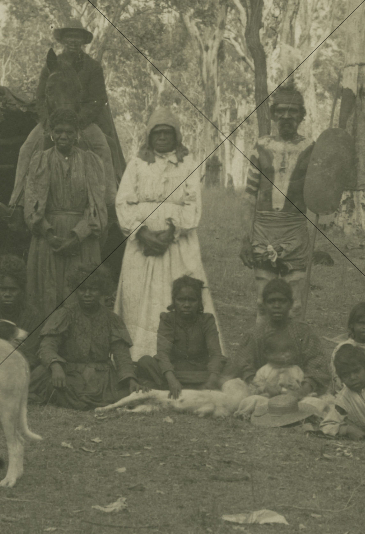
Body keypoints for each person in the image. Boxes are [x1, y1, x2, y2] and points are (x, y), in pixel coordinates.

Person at [115, 109, 214, 358]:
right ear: (148, 137)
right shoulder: (136, 164)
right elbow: (123, 201)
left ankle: (181, 355)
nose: (161, 138)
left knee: (177, 291)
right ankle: (139, 355)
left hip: (179, 244)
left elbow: (193, 203)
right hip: (142, 246)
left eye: (166, 133)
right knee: (137, 295)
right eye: (156, 133)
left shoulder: (188, 163)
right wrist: (141, 233)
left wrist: (172, 231)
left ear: (176, 136)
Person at [7, 25, 124, 211]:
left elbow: (97, 99)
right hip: (53, 121)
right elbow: (40, 97)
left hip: (81, 121)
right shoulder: (52, 64)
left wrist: (78, 120)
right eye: (69, 37)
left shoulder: (93, 67)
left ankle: (110, 202)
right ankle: (17, 204)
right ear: (63, 40)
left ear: (83, 42)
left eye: (77, 38)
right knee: (26, 149)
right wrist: (47, 122)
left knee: (103, 147)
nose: (73, 41)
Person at [19, 110, 113, 323]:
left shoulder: (91, 162)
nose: (63, 136)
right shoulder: (40, 160)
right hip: (47, 238)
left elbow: (96, 206)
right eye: (58, 131)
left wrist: (77, 236)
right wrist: (49, 234)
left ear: (77, 134)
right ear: (51, 133)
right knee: (47, 293)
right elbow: (32, 204)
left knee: (80, 293)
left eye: (69, 132)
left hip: (81, 240)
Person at [240, 83, 316, 317]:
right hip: (263, 231)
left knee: (294, 302)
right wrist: (246, 238)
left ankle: (293, 348)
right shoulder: (260, 146)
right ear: (272, 114)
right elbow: (250, 196)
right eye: (280, 110)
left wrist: (312, 241)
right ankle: (263, 347)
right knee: (264, 298)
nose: (286, 116)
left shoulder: (311, 149)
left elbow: (318, 199)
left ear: (302, 115)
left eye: (293, 111)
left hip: (295, 232)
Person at [31, 268, 138, 410]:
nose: (87, 294)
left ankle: (80, 400)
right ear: (76, 290)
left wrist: (129, 377)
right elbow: (47, 346)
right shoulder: (65, 314)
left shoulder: (112, 319)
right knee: (42, 376)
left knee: (130, 392)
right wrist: (55, 365)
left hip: (102, 378)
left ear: (101, 291)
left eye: (93, 289)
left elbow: (121, 354)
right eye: (82, 289)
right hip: (69, 373)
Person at [222, 278, 331, 397]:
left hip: (297, 389)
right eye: (271, 301)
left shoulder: (303, 332)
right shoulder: (255, 334)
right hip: (263, 390)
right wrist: (263, 386)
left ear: (291, 303)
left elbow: (316, 365)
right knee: (232, 387)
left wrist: (302, 391)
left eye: (282, 301)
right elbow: (243, 365)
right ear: (263, 304)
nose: (277, 306)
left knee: (315, 402)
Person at [134, 275, 225, 397]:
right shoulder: (167, 319)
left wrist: (212, 380)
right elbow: (163, 353)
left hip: (200, 370)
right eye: (181, 300)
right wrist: (172, 380)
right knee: (145, 362)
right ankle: (191, 388)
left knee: (228, 364)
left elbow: (215, 353)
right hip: (174, 370)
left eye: (192, 300)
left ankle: (167, 387)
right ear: (174, 301)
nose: (186, 305)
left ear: (199, 302)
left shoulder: (207, 320)